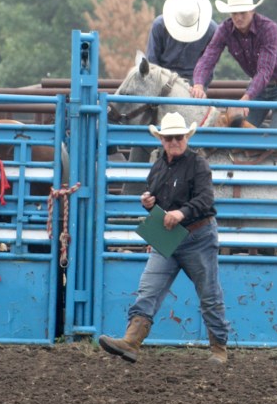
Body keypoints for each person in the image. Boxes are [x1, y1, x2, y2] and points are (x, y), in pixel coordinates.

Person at [98, 112, 233, 366]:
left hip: (198, 236)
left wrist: (181, 213)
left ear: (185, 137)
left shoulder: (198, 164)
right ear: (162, 140)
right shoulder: (158, 167)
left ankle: (219, 347)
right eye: (170, 137)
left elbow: (206, 200)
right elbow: (160, 202)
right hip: (170, 236)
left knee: (209, 293)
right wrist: (149, 204)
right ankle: (131, 341)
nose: (174, 141)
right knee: (149, 288)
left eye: (178, 137)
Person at [191, 0, 277, 129]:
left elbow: (264, 71)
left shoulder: (268, 28)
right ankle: (270, 133)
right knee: (242, 130)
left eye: (243, 12)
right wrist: (198, 83)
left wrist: (246, 98)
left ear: (252, 11)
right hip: (259, 87)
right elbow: (208, 57)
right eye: (234, 13)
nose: (238, 17)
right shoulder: (224, 29)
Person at [145, 0, 218, 83]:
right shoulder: (159, 25)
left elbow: (208, 64)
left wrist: (200, 85)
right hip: (163, 76)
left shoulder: (211, 30)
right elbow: (152, 61)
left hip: (194, 79)